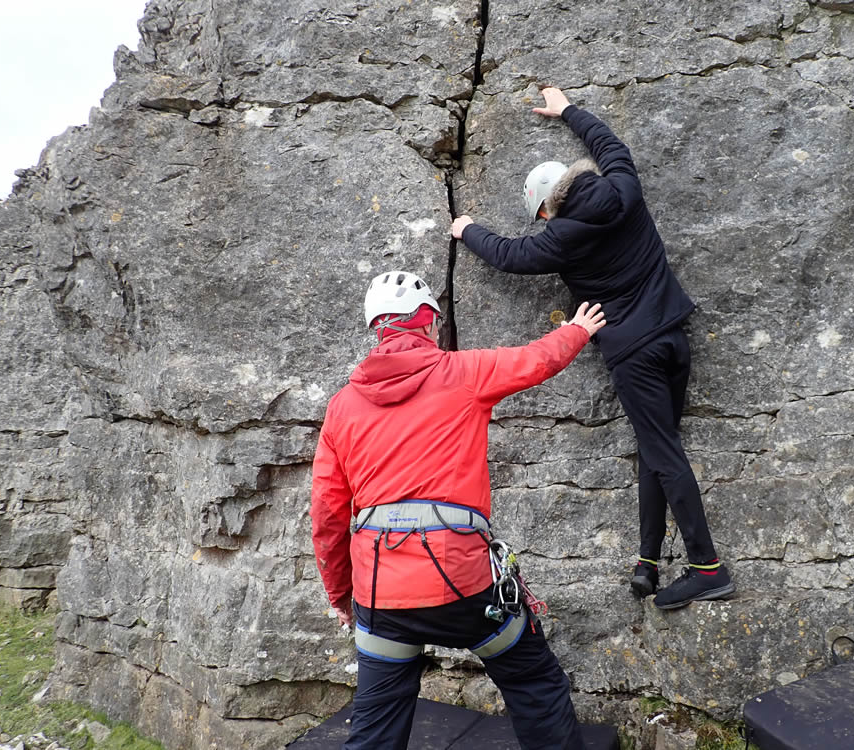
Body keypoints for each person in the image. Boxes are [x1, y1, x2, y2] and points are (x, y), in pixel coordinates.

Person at [450, 87, 735, 610]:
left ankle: (707, 567)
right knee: (657, 448)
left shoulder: (559, 237)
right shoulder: (624, 187)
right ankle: (648, 561)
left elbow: (509, 256)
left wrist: (467, 229)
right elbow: (611, 145)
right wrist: (568, 112)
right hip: (673, 334)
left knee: (665, 454)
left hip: (634, 352)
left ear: (544, 211)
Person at [310, 269, 606, 750]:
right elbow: (534, 361)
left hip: (380, 592)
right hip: (460, 582)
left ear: (376, 328)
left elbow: (326, 512)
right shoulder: (461, 373)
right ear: (427, 321)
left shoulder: (343, 406)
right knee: (534, 683)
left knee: (375, 726)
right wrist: (577, 329)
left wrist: (340, 595)